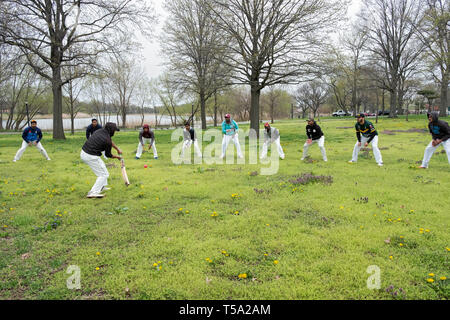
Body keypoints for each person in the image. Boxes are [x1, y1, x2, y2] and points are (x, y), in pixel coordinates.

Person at [80, 123, 123, 198]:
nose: (114, 132)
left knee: (102, 168)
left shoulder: (100, 131)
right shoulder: (106, 140)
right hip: (90, 156)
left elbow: (110, 141)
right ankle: (93, 192)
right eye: (114, 130)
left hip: (84, 152)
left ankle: (102, 186)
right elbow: (108, 155)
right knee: (103, 174)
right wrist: (117, 157)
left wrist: (117, 149)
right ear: (111, 130)